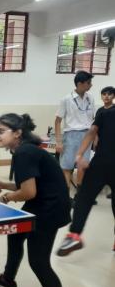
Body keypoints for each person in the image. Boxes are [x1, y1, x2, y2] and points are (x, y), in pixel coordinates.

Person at [0, 113, 74, 287]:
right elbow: (29, 183)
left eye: (1, 131)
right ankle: (8, 278)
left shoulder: (24, 153)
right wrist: (3, 183)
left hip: (49, 207)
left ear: (17, 133)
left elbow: (28, 192)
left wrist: (9, 197)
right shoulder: (24, 150)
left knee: (39, 262)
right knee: (16, 234)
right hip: (44, 200)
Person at [57, 102, 115, 256]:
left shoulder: (105, 112)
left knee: (84, 198)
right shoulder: (104, 112)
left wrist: (79, 154)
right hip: (102, 163)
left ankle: (74, 235)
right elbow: (92, 131)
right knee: (85, 198)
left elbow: (91, 132)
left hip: (101, 163)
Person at [55, 71, 96, 203]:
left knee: (83, 166)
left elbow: (93, 119)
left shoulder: (91, 98)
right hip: (71, 135)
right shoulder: (66, 99)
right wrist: (59, 142)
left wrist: (95, 136)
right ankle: (66, 196)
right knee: (67, 167)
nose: (91, 85)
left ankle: (80, 195)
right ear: (80, 83)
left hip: (87, 134)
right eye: (89, 83)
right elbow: (57, 121)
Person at [94, 86, 114, 200]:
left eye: (109, 94)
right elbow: (95, 127)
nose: (106, 96)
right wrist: (95, 139)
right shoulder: (100, 110)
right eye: (104, 94)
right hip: (101, 144)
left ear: (113, 96)